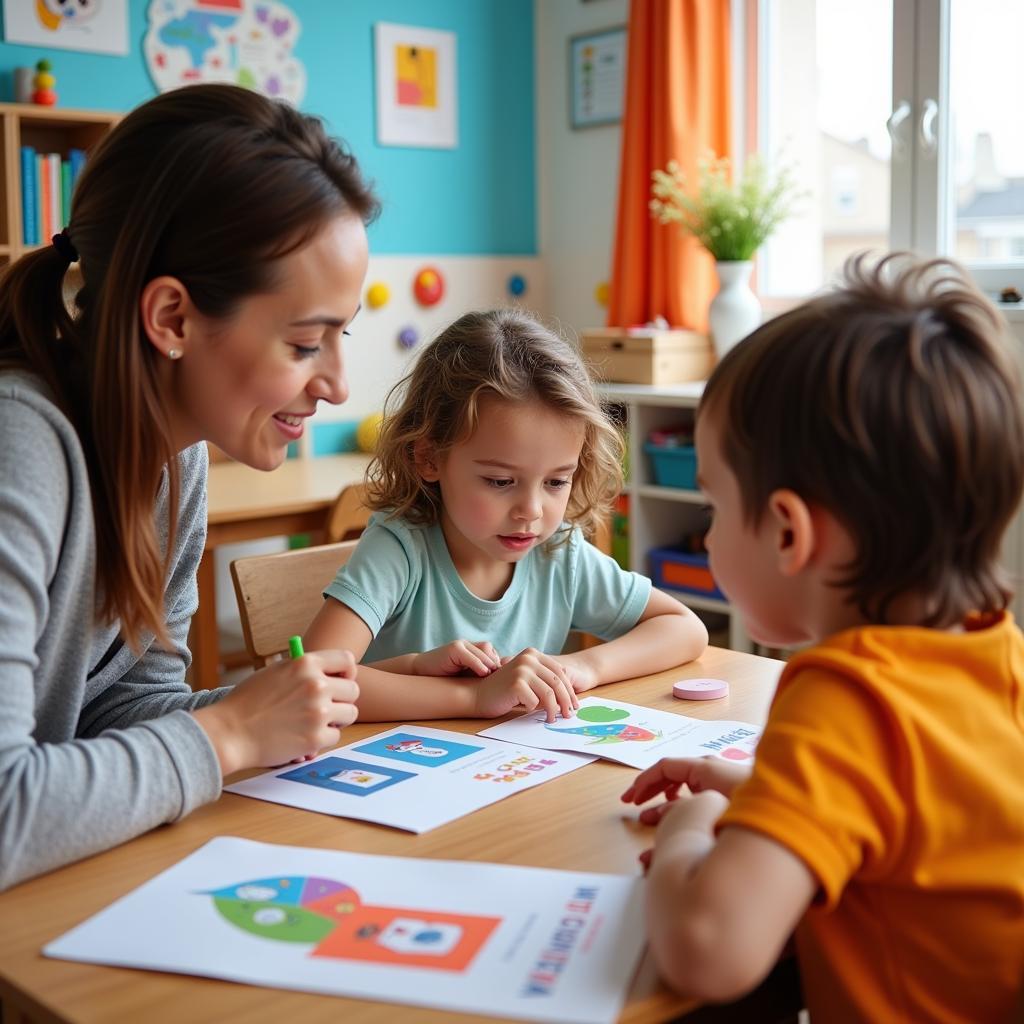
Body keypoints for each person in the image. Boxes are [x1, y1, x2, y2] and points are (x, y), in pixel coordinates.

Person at [620, 253, 1024, 1023]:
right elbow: (917, 827)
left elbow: (710, 948)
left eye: (712, 504)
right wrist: (753, 792)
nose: (705, 538)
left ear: (787, 531)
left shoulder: (847, 694)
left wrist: (691, 829)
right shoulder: (994, 651)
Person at [0, 84, 377, 890]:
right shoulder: (19, 446)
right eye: (308, 342)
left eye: (341, 336)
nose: (339, 385)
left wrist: (282, 709)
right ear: (171, 318)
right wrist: (230, 735)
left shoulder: (177, 457)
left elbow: (120, 707)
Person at [304, 309, 708, 722]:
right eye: (499, 481)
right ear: (428, 457)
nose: (531, 512)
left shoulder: (558, 552)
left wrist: (581, 667)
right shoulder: (401, 549)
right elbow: (312, 681)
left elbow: (685, 628)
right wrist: (473, 699)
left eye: (555, 482)